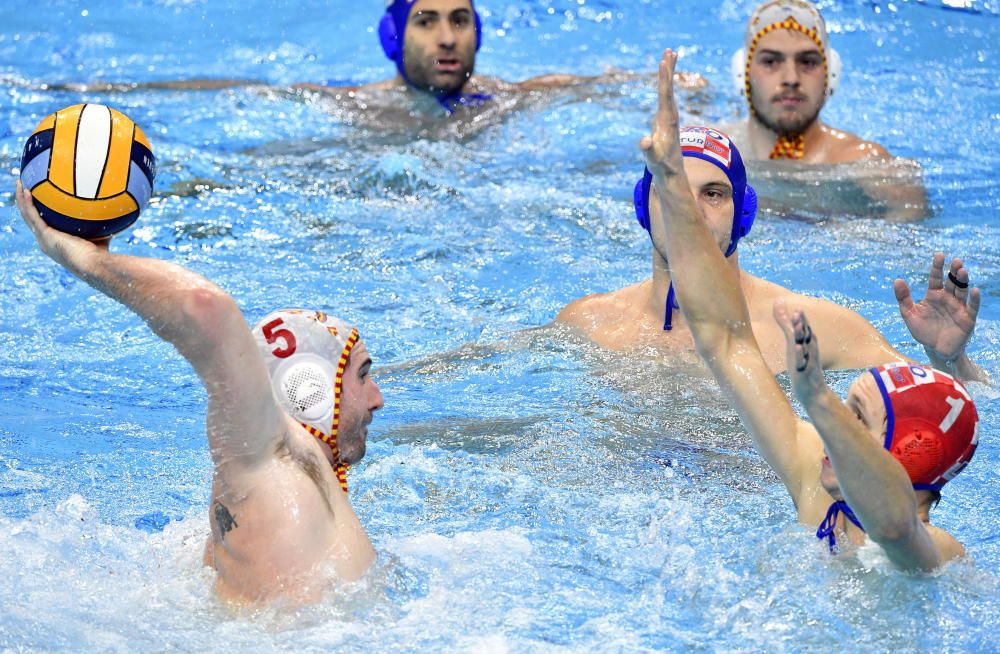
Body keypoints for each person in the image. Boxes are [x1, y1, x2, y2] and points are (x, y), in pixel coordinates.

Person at [640, 48, 984, 570]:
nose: (830, 430)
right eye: (844, 412)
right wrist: (667, 178)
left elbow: (892, 525)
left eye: (856, 419)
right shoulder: (814, 485)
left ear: (908, 452)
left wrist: (820, 399)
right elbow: (725, 339)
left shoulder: (935, 552)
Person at [15, 180, 385, 604]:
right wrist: (80, 256)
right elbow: (204, 307)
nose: (377, 397)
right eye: (362, 374)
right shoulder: (269, 461)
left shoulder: (273, 486)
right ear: (311, 387)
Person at [557, 126, 915, 375]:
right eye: (671, 191)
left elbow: (947, 403)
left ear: (744, 213)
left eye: (712, 194)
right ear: (642, 207)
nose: (690, 212)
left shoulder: (814, 331)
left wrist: (949, 359)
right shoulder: (589, 323)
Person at [52, 0, 703, 118]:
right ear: (395, 40)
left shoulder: (508, 99)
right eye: (427, 22)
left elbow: (590, 85)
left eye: (460, 21)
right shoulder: (360, 105)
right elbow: (236, 88)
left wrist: (674, 84)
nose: (447, 38)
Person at [723, 0, 927, 220]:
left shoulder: (869, 168)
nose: (791, 79)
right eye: (771, 61)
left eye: (808, 62)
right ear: (742, 73)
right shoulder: (711, 152)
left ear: (831, 74)